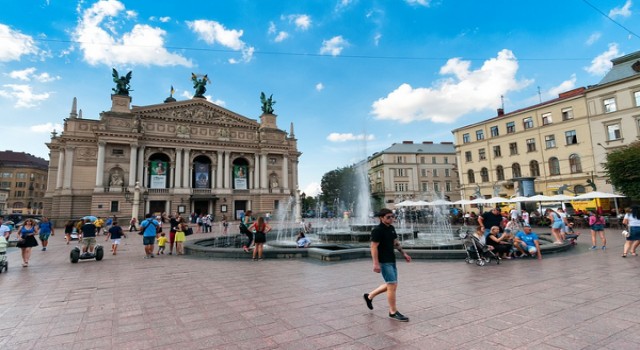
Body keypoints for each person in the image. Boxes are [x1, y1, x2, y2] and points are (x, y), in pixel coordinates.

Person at [363, 208, 411, 322]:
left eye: (392, 216)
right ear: (381, 218)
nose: (391, 219)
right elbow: (373, 247)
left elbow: (396, 243)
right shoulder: (377, 230)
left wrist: (404, 253)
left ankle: (369, 296)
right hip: (384, 261)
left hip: (392, 260)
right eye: (388, 217)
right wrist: (375, 263)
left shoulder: (391, 228)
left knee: (391, 285)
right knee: (392, 285)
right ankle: (393, 312)